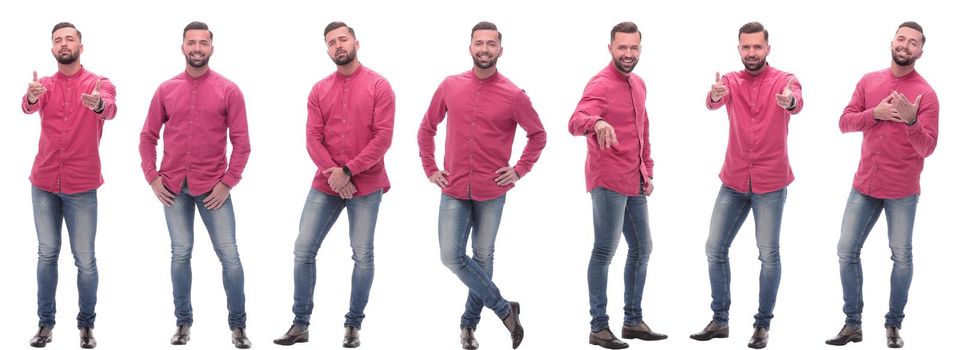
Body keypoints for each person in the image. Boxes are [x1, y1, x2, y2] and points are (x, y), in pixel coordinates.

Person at [417, 21, 546, 350]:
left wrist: (519, 170)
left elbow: (538, 135)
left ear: (501, 50)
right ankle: (505, 310)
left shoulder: (514, 95)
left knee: (483, 256)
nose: (485, 49)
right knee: (451, 256)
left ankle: (468, 326)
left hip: (492, 191)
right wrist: (431, 168)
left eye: (491, 44)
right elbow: (426, 128)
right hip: (454, 188)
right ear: (470, 47)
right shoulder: (450, 85)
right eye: (479, 43)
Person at [273, 21, 395, 349]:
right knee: (303, 249)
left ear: (356, 42)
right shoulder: (318, 89)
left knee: (363, 254)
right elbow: (312, 137)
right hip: (326, 182)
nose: (338, 45)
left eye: (343, 39)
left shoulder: (379, 85)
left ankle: (353, 326)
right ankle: (300, 324)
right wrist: (334, 173)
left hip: (366, 184)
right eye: (331, 42)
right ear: (327, 50)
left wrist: (349, 171)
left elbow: (383, 138)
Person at [689, 21, 803, 350]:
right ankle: (720, 320)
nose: (751, 53)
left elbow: (796, 100)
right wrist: (713, 96)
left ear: (768, 48)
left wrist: (790, 102)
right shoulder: (730, 81)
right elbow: (712, 101)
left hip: (770, 183)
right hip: (734, 180)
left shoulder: (785, 80)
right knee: (714, 248)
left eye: (757, 47)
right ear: (739, 49)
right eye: (746, 47)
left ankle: (762, 326)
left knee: (768, 255)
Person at [825, 21, 938, 349]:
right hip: (864, 186)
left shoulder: (926, 94)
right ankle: (853, 324)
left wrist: (911, 120)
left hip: (902, 190)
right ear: (892, 42)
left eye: (913, 42)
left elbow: (928, 148)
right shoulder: (869, 81)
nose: (905, 45)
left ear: (920, 51)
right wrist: (875, 112)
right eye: (901, 38)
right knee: (846, 250)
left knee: (901, 256)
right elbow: (845, 122)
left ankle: (893, 324)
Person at [138, 21, 252, 349]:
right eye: (192, 43)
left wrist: (228, 183)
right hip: (173, 188)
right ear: (183, 47)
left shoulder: (229, 90)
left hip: (213, 188)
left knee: (229, 255)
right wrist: (152, 177)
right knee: (180, 254)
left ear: (212, 49)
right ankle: (183, 322)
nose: (197, 48)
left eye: (203, 43)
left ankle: (238, 326)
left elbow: (242, 143)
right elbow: (147, 137)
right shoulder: (165, 89)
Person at [568, 21, 667, 349]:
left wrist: (647, 169)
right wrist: (596, 122)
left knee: (642, 247)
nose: (628, 53)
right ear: (610, 48)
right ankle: (598, 326)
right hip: (608, 179)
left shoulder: (638, 83)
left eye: (633, 47)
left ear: (640, 48)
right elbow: (576, 119)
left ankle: (633, 320)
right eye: (622, 47)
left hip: (634, 179)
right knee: (604, 250)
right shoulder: (600, 84)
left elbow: (644, 128)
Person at [21, 21, 117, 350]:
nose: (64, 44)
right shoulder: (44, 84)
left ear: (81, 46)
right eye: (58, 40)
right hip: (44, 183)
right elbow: (29, 105)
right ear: (52, 49)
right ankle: (45, 324)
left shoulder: (99, 83)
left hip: (82, 186)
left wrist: (99, 105)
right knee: (47, 255)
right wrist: (31, 98)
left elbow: (110, 106)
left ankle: (86, 325)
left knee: (85, 259)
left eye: (70, 39)